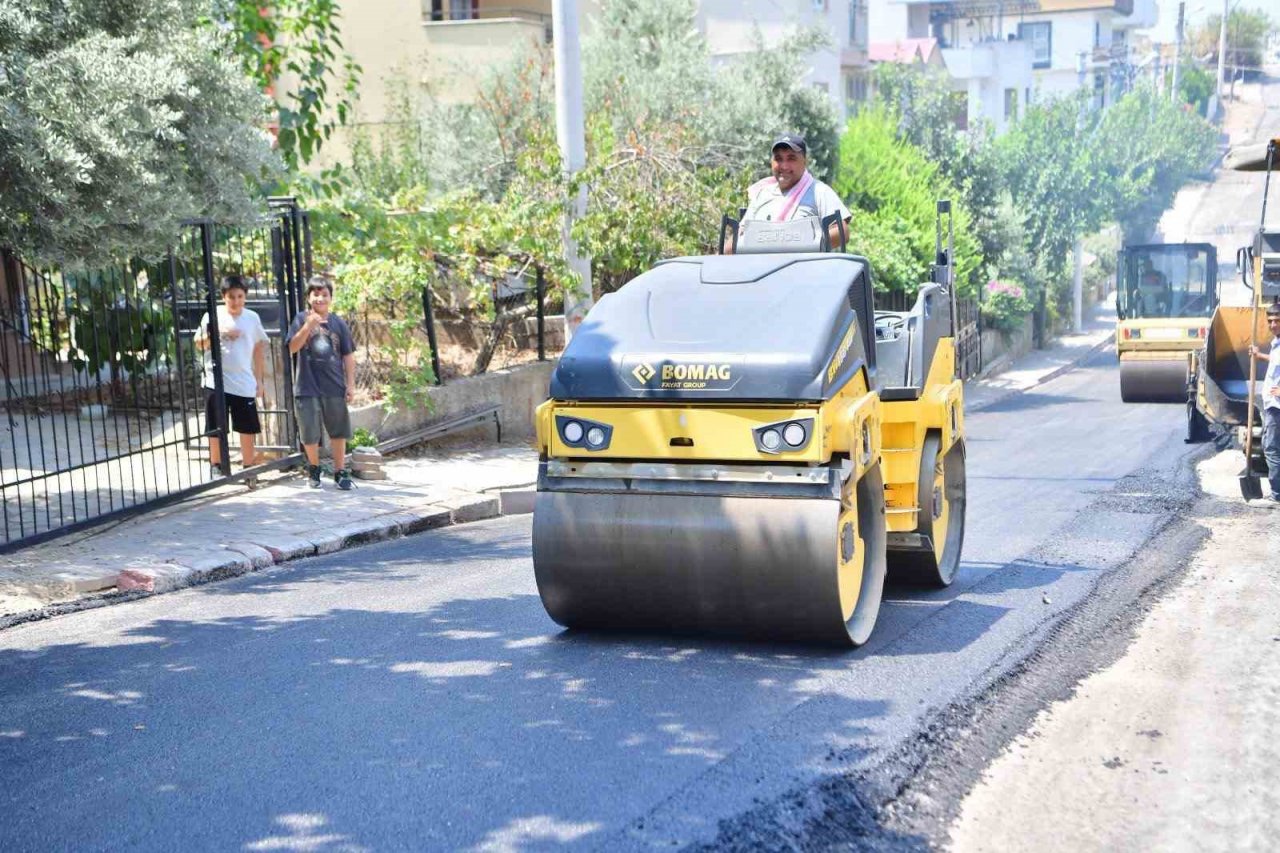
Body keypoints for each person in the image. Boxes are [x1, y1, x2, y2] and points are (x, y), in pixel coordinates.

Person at [193, 275, 269, 485]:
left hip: (243, 381)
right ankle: (215, 466)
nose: (235, 301)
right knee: (216, 425)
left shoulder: (252, 318)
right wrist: (218, 332)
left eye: (240, 296)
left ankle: (248, 468)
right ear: (223, 297)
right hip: (215, 380)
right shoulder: (212, 316)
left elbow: (258, 348)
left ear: (245, 297)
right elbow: (199, 344)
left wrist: (259, 380)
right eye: (231, 297)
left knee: (247, 427)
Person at [288, 277, 356, 491]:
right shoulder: (300, 319)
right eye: (315, 294)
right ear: (308, 298)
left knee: (338, 430)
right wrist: (308, 326)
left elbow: (348, 355)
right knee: (309, 431)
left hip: (333, 385)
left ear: (330, 298)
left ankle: (339, 470)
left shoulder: (338, 323)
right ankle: (314, 468)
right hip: (306, 385)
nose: (320, 298)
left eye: (324, 294)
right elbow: (292, 348)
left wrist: (351, 384)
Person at [737, 133, 851, 251]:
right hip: (760, 267)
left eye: (791, 158)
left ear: (805, 161)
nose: (784, 166)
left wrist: (797, 244)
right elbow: (740, 237)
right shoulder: (762, 194)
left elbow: (842, 232)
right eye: (778, 159)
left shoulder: (819, 191)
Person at [1248, 301, 1280, 503]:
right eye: (1270, 321)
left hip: (1277, 406)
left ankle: (1277, 495)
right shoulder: (1277, 343)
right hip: (1273, 404)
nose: (1273, 324)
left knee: (1271, 448)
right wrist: (1260, 356)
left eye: (1277, 320)